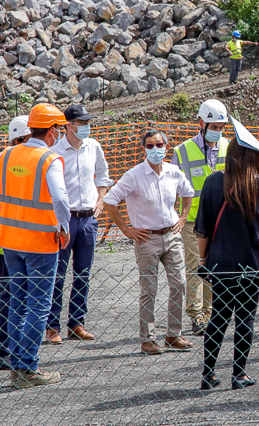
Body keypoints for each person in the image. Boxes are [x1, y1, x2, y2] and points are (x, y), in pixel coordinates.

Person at [0, 103, 71, 389]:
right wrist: (63, 228)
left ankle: (17, 366)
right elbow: (61, 200)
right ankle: (28, 368)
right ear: (51, 131)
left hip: (11, 242)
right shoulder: (48, 159)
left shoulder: (9, 154)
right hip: (40, 244)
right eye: (60, 129)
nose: (60, 134)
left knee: (17, 304)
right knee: (38, 306)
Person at [196, 117, 259, 390]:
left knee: (218, 316)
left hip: (220, 263)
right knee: (245, 318)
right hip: (252, 264)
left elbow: (203, 230)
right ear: (253, 157)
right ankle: (239, 374)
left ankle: (208, 374)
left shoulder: (212, 182)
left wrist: (203, 260)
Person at [105, 129, 195, 355]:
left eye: (159, 144)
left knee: (180, 284)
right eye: (150, 145)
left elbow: (188, 192)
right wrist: (127, 229)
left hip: (172, 235)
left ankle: (174, 335)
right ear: (143, 149)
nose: (155, 149)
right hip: (147, 239)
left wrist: (183, 218)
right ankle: (148, 339)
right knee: (149, 289)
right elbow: (109, 201)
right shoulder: (134, 175)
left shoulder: (174, 171)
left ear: (166, 146)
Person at [46, 104, 112, 344]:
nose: (86, 127)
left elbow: (103, 175)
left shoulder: (93, 147)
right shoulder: (55, 150)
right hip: (64, 220)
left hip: (88, 220)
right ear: (68, 125)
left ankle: (76, 323)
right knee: (58, 273)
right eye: (81, 123)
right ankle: (52, 325)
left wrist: (101, 199)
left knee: (83, 273)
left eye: (87, 123)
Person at [172, 99, 230, 335]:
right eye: (214, 126)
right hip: (194, 220)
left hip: (221, 220)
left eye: (220, 127)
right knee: (196, 267)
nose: (218, 131)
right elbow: (173, 186)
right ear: (201, 123)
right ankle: (197, 316)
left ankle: (211, 312)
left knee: (216, 267)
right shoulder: (183, 151)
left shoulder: (229, 146)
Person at [0, 116, 30, 371]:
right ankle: (0, 349)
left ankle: (4, 348)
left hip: (15, 244)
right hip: (7, 245)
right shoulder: (10, 162)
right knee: (9, 297)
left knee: (13, 297)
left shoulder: (13, 160)